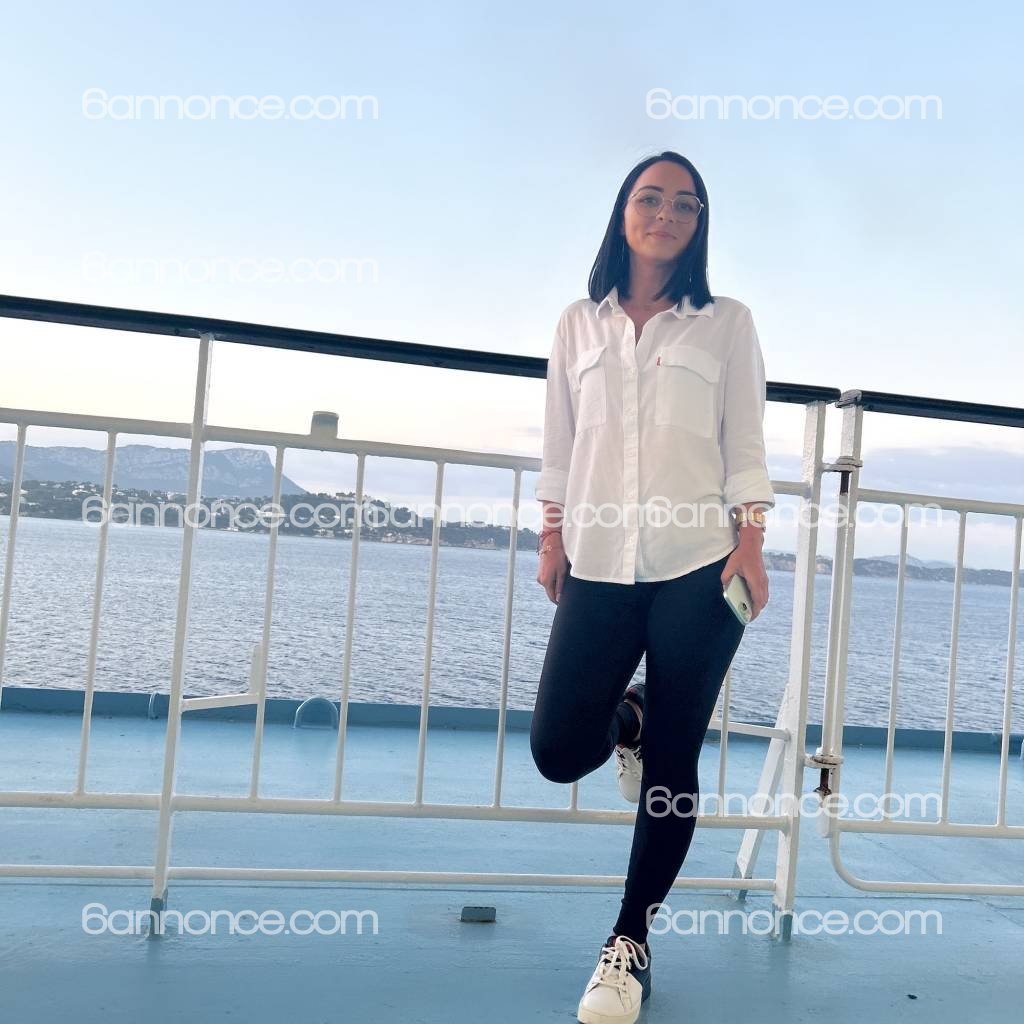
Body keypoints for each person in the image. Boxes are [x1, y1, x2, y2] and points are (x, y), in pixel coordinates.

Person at [529, 150, 775, 1024]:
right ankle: (623, 721)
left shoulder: (726, 322)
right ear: (623, 212)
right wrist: (551, 535)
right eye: (651, 197)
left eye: (686, 203)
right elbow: (560, 443)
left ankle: (628, 941)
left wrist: (752, 540)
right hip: (599, 561)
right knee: (559, 750)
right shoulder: (578, 324)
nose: (667, 213)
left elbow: (745, 441)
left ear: (700, 223)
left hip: (699, 565)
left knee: (675, 758)